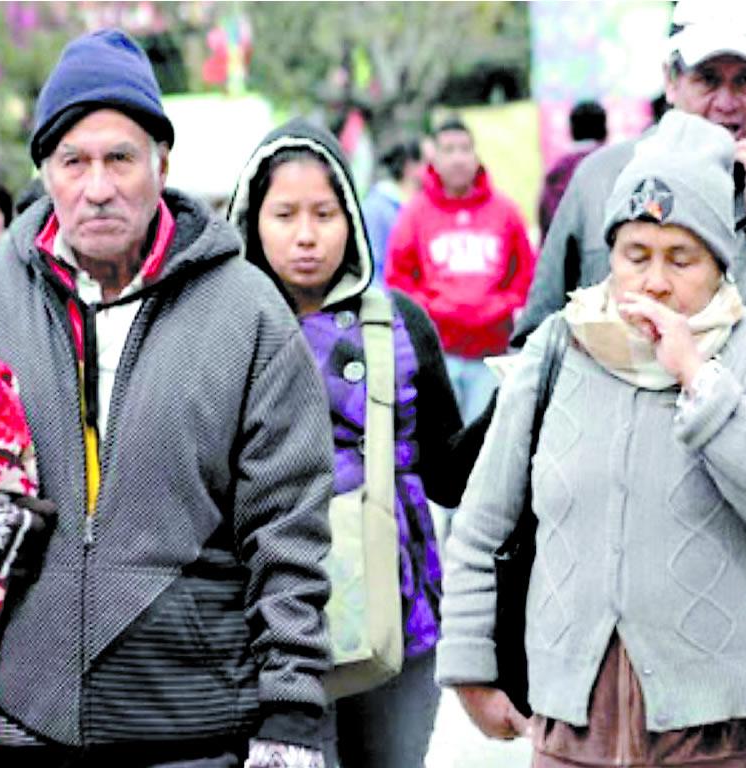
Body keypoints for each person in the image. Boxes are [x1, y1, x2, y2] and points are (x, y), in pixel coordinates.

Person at [0, 29, 335, 768]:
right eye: (73, 161)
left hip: (194, 723)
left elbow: (288, 528)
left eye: (120, 159)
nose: (97, 186)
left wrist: (291, 712)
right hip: (18, 718)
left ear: (162, 164)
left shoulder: (246, 313)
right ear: (44, 170)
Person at [438, 110, 746, 767]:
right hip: (579, 730)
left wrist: (699, 381)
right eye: (635, 255)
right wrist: (471, 666)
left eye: (682, 258)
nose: (653, 280)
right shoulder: (558, 348)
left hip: (738, 734)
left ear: (718, 264)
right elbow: (482, 525)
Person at [512, 0, 746, 658]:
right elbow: (537, 339)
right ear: (671, 81)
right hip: (619, 532)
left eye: (744, 80)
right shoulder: (600, 183)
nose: (726, 102)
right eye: (708, 79)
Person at [228, 119, 470, 768]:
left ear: (352, 220)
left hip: (395, 610)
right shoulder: (221, 331)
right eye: (284, 214)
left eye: (324, 213)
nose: (306, 235)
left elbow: (448, 476)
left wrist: (518, 399)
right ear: (252, 220)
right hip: (264, 618)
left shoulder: (401, 324)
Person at [384, 118, 537, 426]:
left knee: (483, 444)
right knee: (440, 443)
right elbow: (397, 278)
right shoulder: (416, 213)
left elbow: (526, 274)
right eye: (448, 149)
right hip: (438, 355)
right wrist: (430, 308)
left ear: (476, 155)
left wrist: (499, 306)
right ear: (435, 159)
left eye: (465, 149)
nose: (458, 158)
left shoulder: (505, 211)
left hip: (489, 354)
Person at [537, 100, 607, 242]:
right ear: (605, 129)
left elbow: (547, 223)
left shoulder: (557, 172)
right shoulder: (613, 165)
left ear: (571, 130)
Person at [361, 138, 423, 282]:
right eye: (428, 162)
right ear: (410, 167)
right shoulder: (377, 208)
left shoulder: (416, 207)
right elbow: (373, 267)